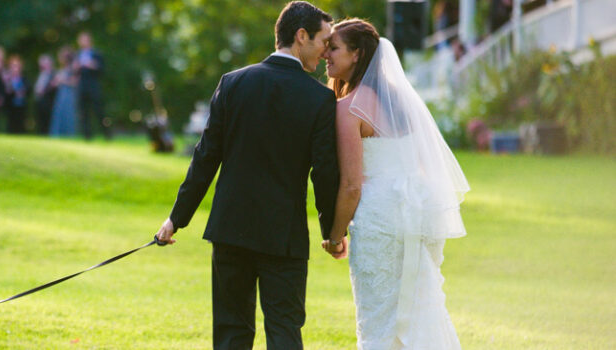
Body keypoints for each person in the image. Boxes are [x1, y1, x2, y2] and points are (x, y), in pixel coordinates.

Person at [154, 2, 339, 349]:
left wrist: (176, 219)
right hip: (283, 237)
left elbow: (205, 158)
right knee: (284, 331)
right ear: (301, 36)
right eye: (323, 41)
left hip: (230, 230)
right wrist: (332, 231)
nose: (326, 50)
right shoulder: (319, 99)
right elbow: (325, 174)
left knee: (231, 333)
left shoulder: (234, 83)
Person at [322, 18, 469, 349]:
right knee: (420, 307)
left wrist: (335, 236)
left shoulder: (348, 109)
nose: (325, 55)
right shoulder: (402, 103)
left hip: (378, 218)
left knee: (379, 315)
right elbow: (419, 163)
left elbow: (351, 185)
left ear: (357, 54)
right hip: (416, 211)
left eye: (333, 48)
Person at [75, 31, 112, 140]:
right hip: (82, 86)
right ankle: (87, 136)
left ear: (90, 40)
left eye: (85, 39)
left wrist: (93, 65)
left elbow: (103, 70)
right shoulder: (78, 55)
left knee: (99, 111)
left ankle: (107, 134)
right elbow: (75, 73)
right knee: (83, 112)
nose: (83, 42)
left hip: (94, 86)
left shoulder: (97, 54)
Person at [49, 46, 79, 137]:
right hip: (61, 95)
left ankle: (69, 134)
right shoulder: (61, 69)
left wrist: (63, 81)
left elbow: (75, 82)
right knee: (59, 114)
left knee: (68, 114)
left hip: (69, 95)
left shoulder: (73, 69)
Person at [4, 55, 28, 134]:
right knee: (10, 123)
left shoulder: (23, 78)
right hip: (11, 104)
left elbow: (28, 89)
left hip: (21, 105)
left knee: (20, 123)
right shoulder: (7, 78)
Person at [33, 54, 56, 135]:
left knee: (48, 120)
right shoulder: (41, 74)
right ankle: (41, 134)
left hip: (49, 101)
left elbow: (53, 88)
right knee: (41, 120)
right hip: (40, 101)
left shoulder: (54, 74)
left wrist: (44, 90)